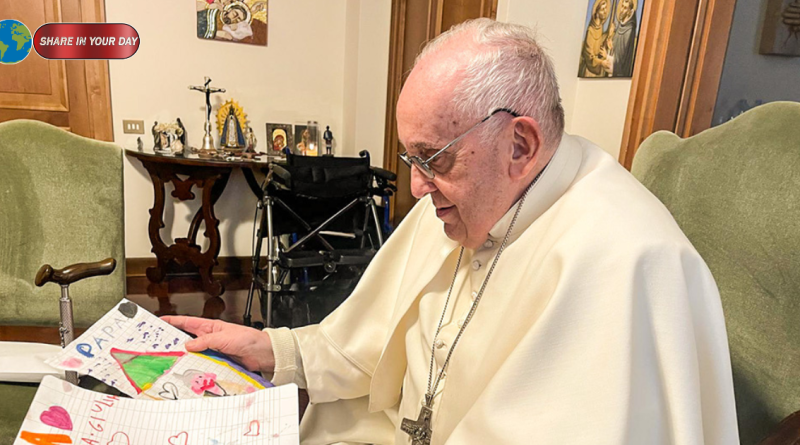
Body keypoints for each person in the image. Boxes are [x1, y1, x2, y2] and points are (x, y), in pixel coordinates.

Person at [166, 18, 738, 444]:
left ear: (520, 145)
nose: (417, 188)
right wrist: (270, 349)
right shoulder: (461, 201)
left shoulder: (627, 260)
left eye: (434, 158)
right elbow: (367, 342)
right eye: (410, 158)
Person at [579, 0, 615, 77]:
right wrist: (601, 63)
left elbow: (600, 45)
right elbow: (589, 56)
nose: (605, 11)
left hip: (597, 70)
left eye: (606, 8)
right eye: (603, 9)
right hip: (589, 71)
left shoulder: (600, 28)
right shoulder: (590, 31)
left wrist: (609, 34)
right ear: (597, 12)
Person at [612, 0, 639, 77]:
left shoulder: (629, 30)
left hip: (620, 72)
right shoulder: (620, 26)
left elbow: (621, 59)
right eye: (622, 6)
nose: (621, 10)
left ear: (629, 12)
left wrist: (607, 57)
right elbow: (614, 48)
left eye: (625, 8)